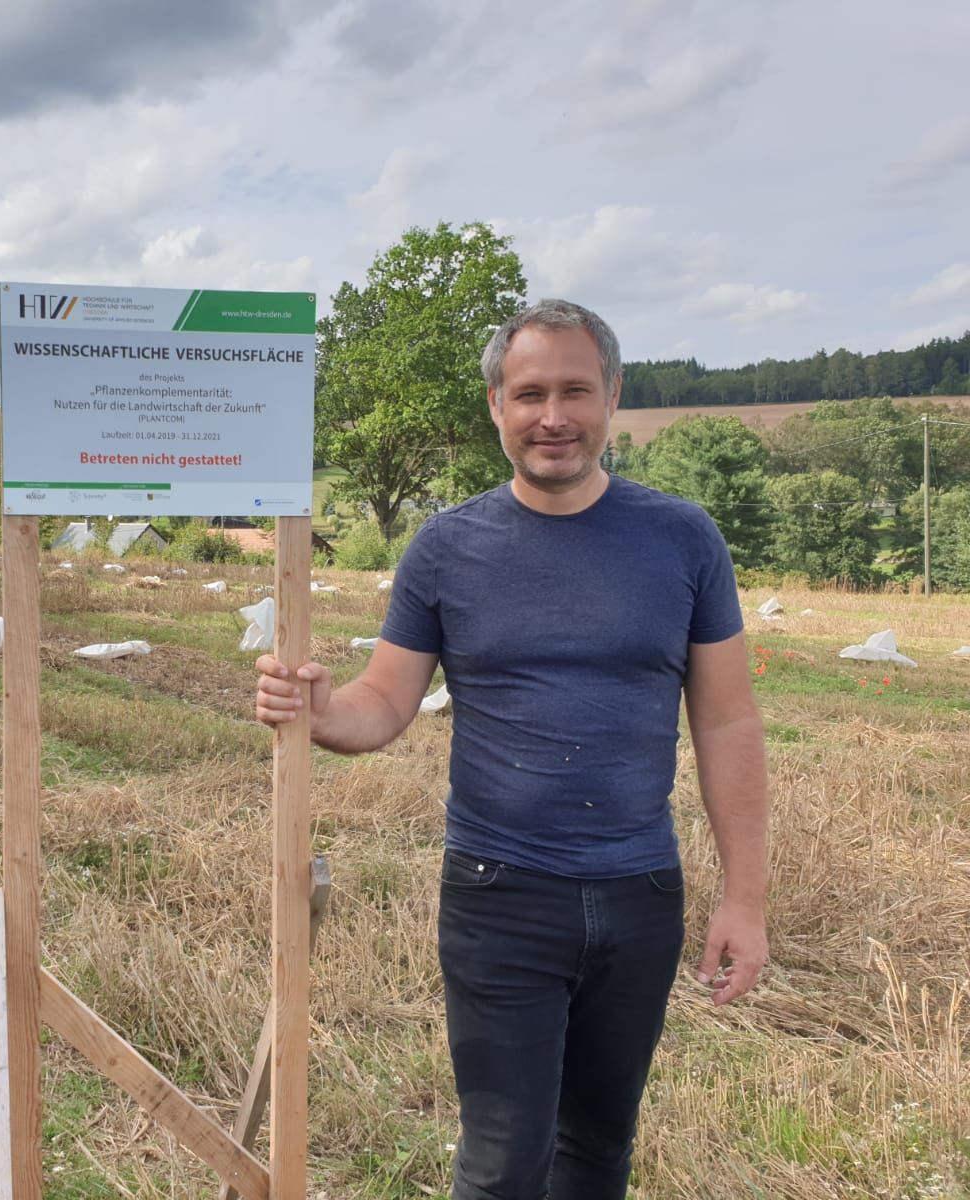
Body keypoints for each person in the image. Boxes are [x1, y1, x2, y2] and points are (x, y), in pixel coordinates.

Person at [255, 299, 768, 1199]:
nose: (553, 417)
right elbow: (383, 702)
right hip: (500, 897)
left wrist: (747, 899)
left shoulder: (684, 541)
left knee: (600, 1151)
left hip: (641, 895)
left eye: (575, 390)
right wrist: (321, 711)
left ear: (612, 395)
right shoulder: (447, 549)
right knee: (501, 1162)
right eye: (529, 393)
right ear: (496, 405)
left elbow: (727, 722)